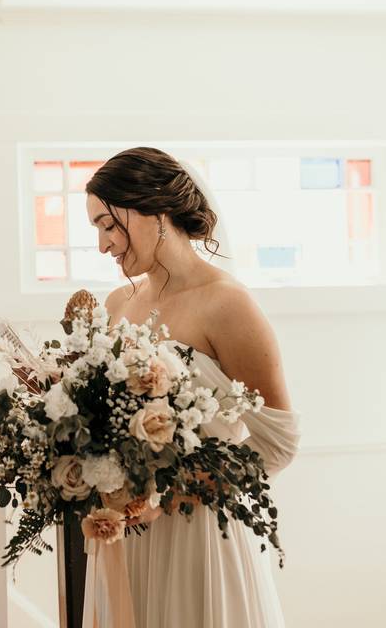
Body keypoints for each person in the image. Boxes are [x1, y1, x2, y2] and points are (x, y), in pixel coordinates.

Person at [84, 147, 301, 627]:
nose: (103, 245)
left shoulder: (226, 304)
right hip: (127, 539)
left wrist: (175, 492)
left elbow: (280, 441)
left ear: (154, 210)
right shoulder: (118, 302)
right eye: (96, 229)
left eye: (108, 224)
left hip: (198, 535)